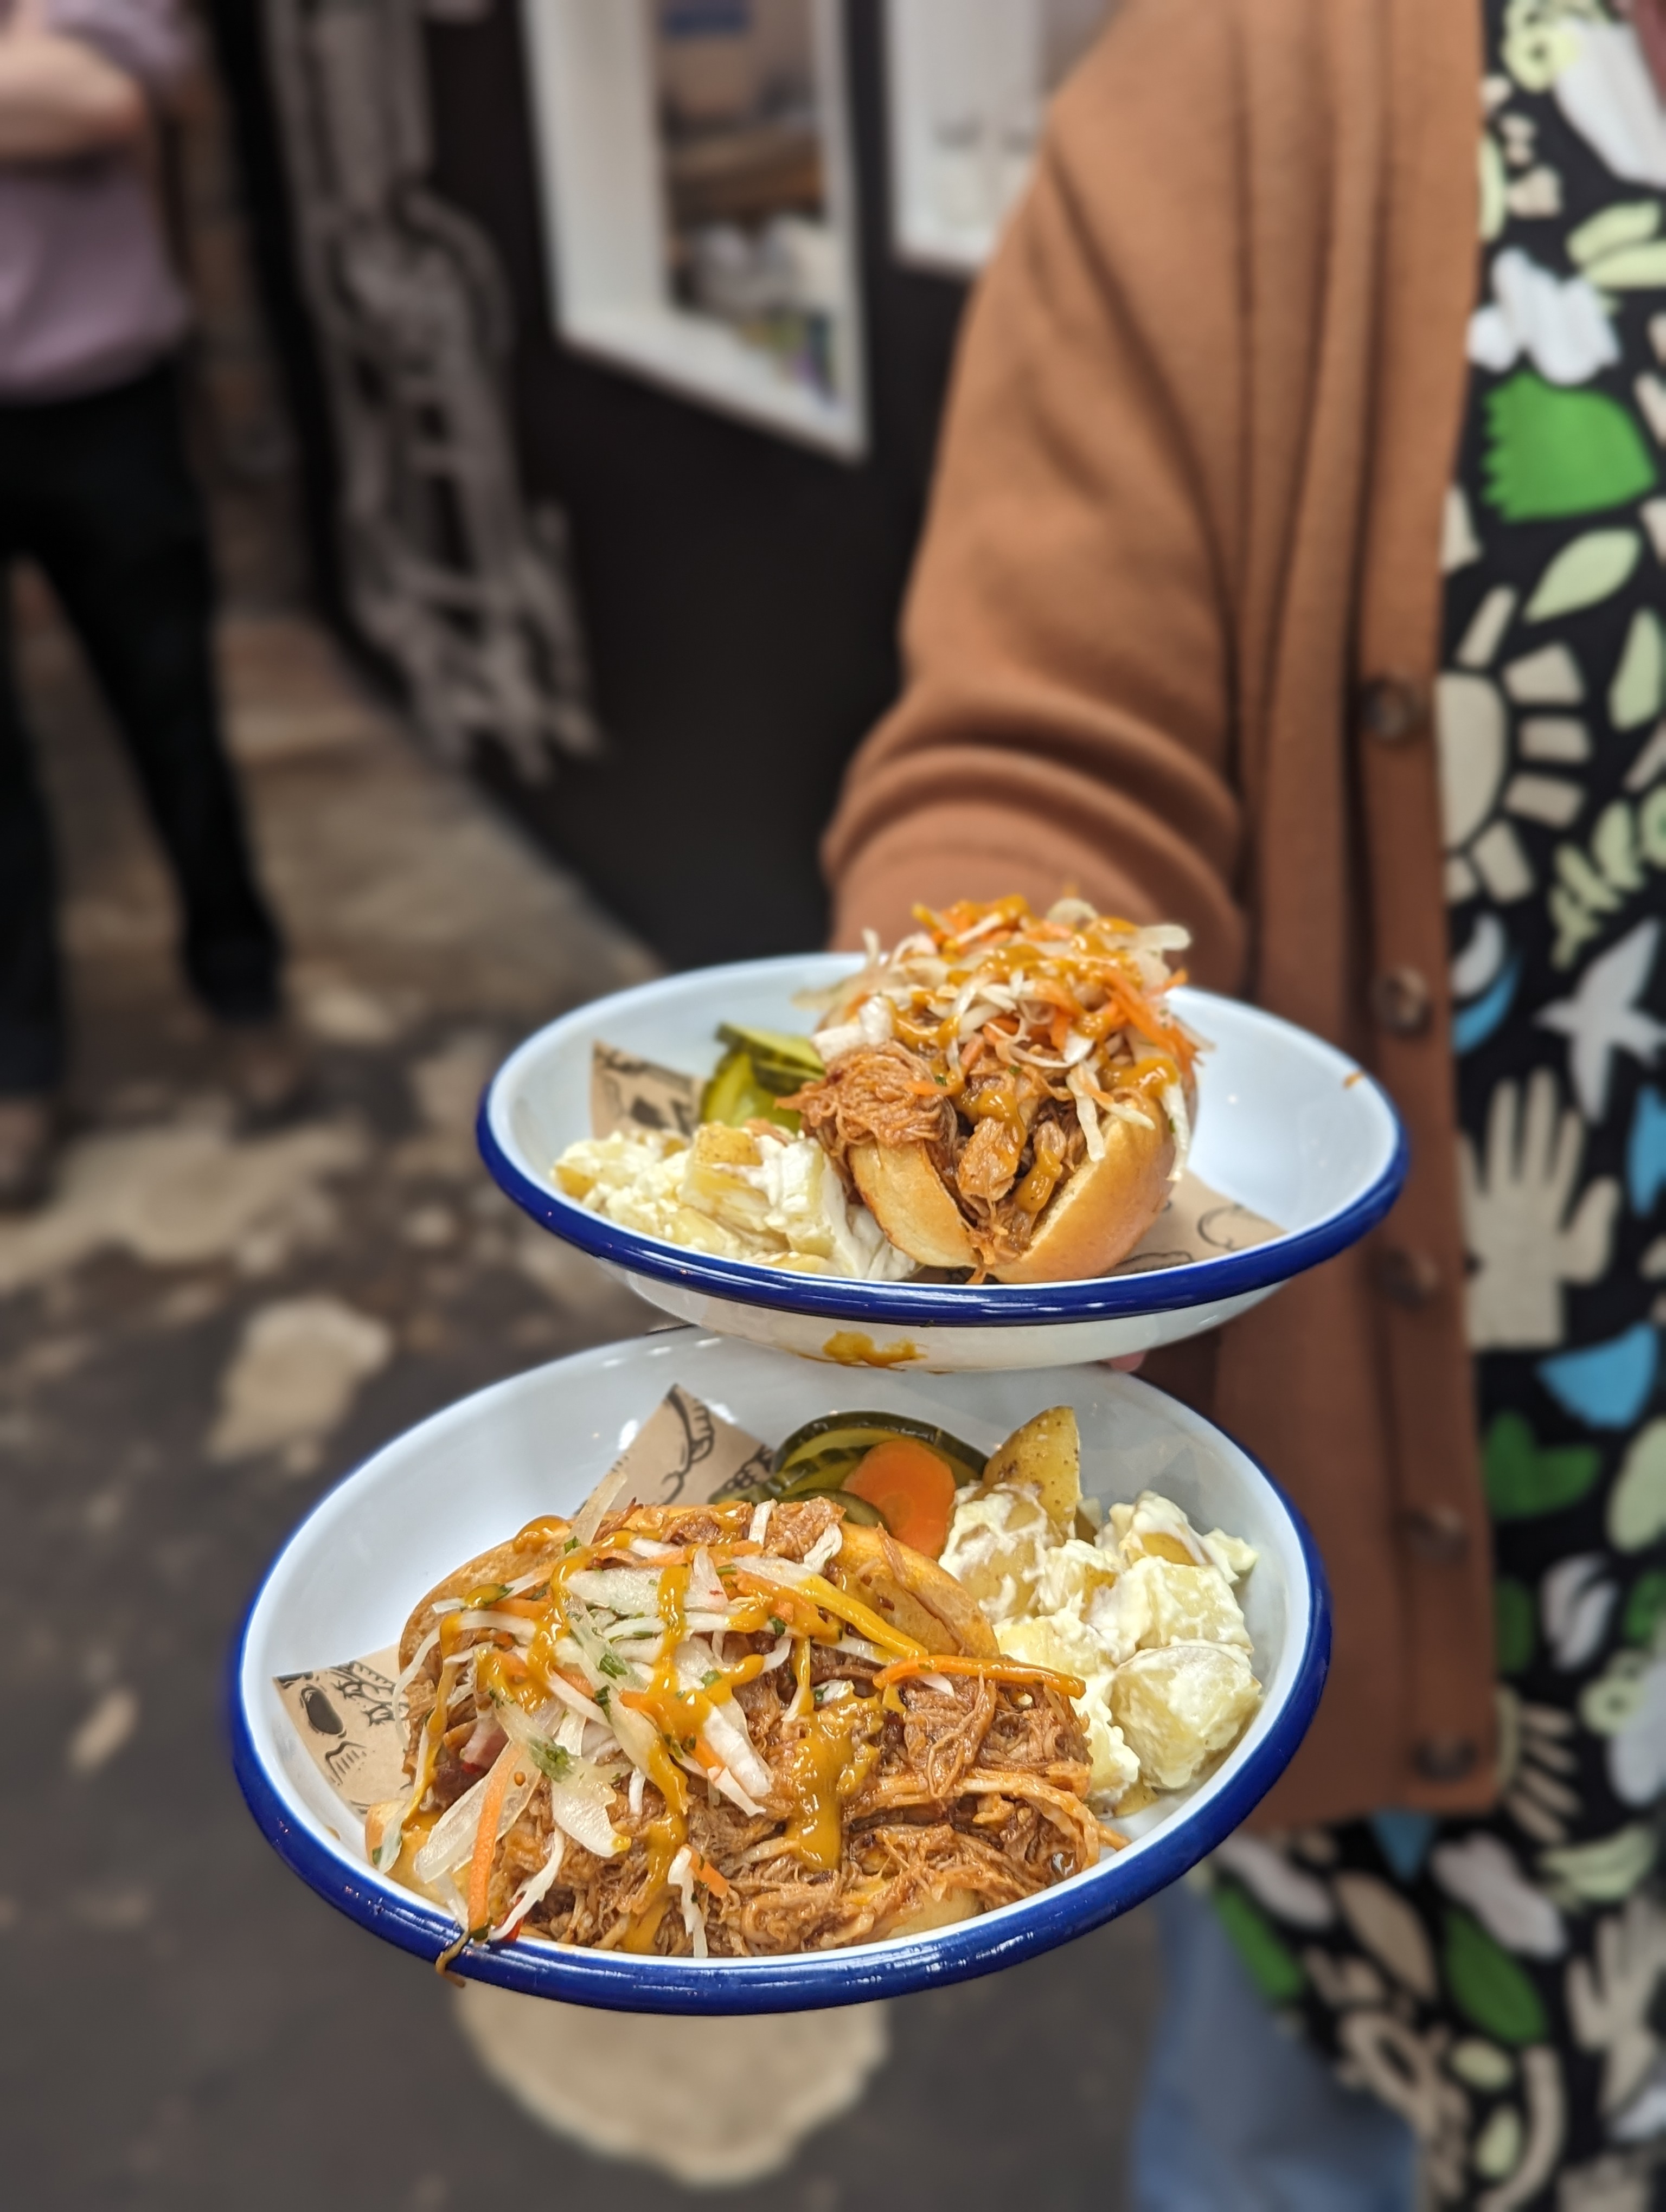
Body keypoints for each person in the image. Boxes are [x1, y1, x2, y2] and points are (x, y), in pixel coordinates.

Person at [824, 0, 1666, 2203]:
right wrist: (961, 1092)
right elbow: (1037, 754)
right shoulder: (1259, 89)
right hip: (1476, 1513)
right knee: (1298, 2135)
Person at [0, 0, 297, 1208]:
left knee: (173, 718)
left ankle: (243, 989)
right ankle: (21, 1063)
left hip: (104, 402)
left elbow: (112, 97)